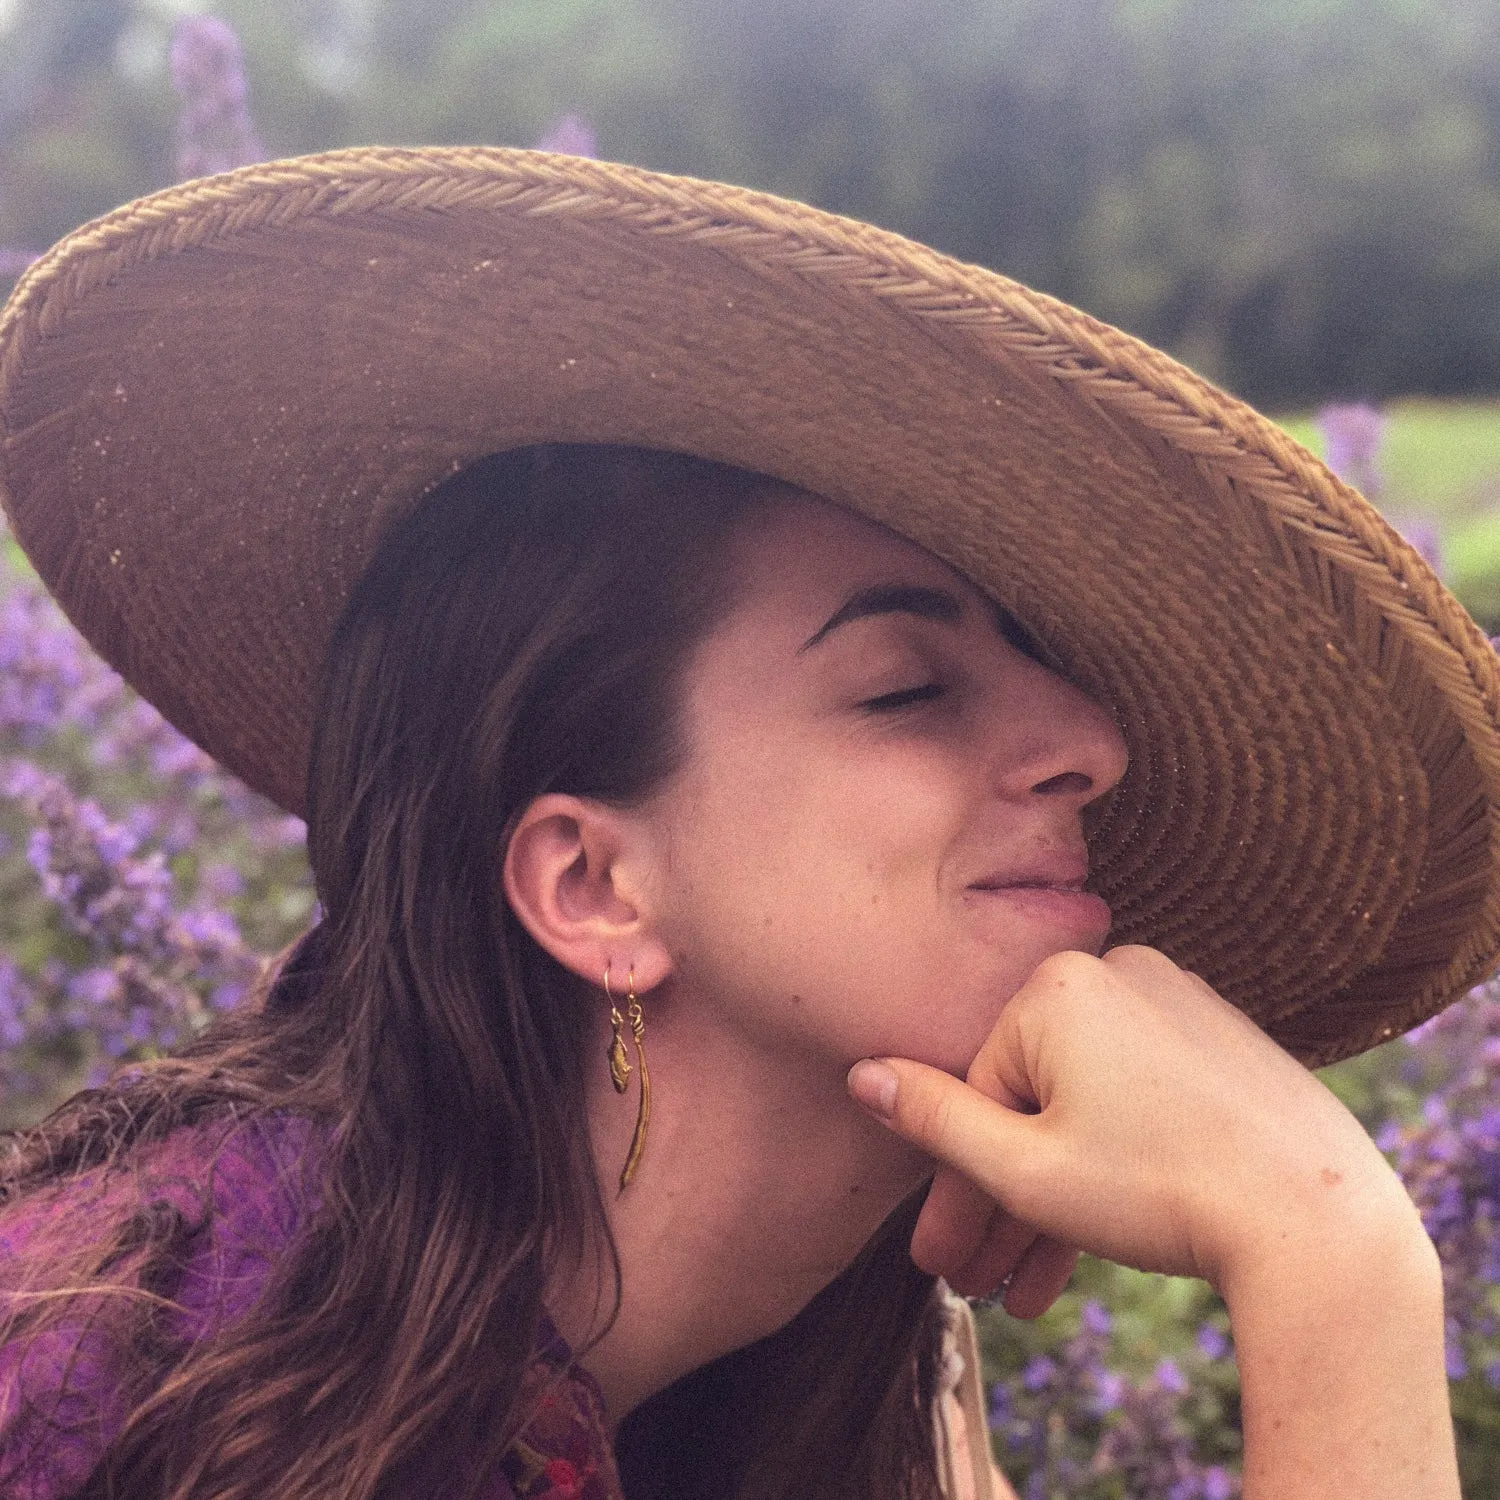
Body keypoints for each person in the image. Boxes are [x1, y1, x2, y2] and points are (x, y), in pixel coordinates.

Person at [0, 145, 1495, 1500]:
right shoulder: (149, 1370)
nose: (1092, 745)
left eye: (1054, 670)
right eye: (907, 686)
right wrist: (1327, 1257)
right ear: (593, 884)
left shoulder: (846, 1382)